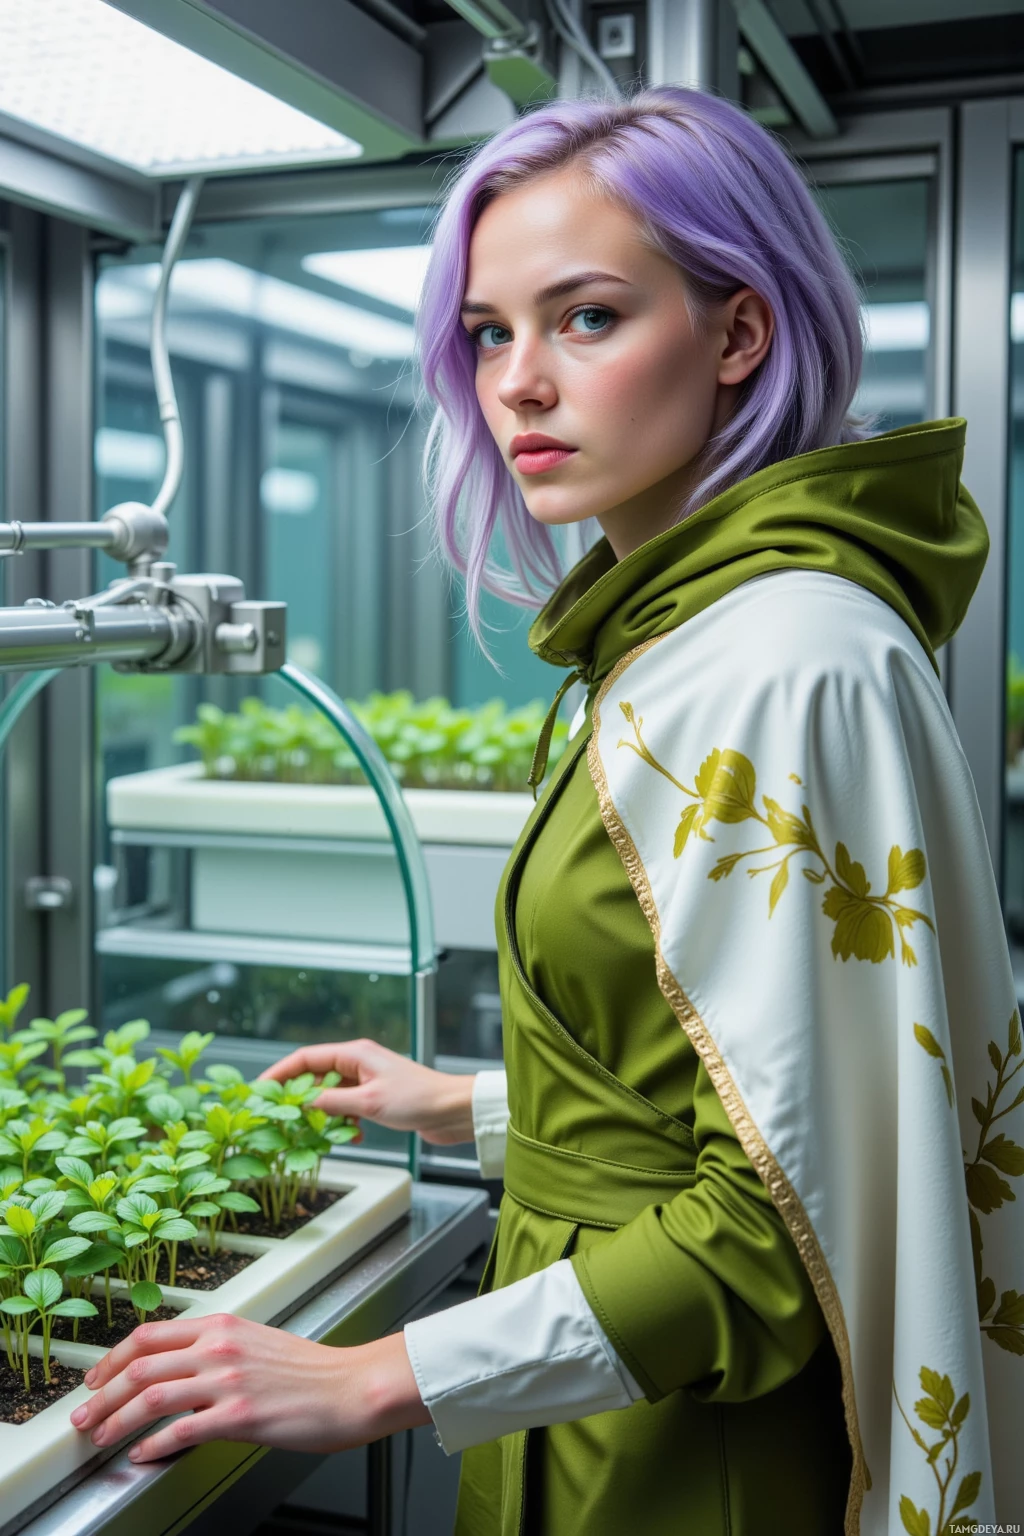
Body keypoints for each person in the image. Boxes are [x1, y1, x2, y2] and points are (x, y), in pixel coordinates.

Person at [72, 89, 1023, 1534]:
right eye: (488, 332)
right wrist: (473, 1105)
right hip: (605, 1405)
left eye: (584, 317)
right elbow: (758, 1084)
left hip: (691, 1457)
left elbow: (781, 1223)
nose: (517, 382)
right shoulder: (679, 631)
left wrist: (372, 1377)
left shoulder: (777, 657)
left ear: (737, 335)